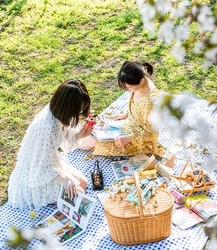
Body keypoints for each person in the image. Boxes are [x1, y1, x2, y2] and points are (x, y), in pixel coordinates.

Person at [7, 79, 94, 209]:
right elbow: (41, 168)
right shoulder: (47, 128)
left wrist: (81, 134)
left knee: (83, 183)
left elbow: (63, 141)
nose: (79, 113)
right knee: (79, 193)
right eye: (78, 110)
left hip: (50, 163)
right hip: (36, 175)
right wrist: (66, 180)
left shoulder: (59, 111)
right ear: (68, 107)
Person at [79, 61, 165, 157]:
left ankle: (68, 143)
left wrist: (128, 138)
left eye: (129, 87)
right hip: (128, 126)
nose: (128, 90)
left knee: (89, 142)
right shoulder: (141, 82)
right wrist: (127, 114)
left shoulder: (151, 102)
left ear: (141, 81)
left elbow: (151, 134)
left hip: (140, 140)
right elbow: (137, 107)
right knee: (97, 128)